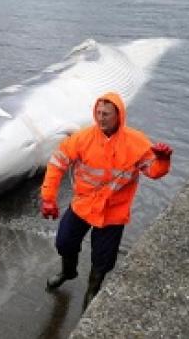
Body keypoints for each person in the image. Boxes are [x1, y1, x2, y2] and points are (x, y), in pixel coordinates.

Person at [40, 92, 173, 310]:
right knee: (64, 242)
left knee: (103, 260)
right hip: (83, 204)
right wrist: (48, 198)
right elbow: (57, 163)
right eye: (98, 113)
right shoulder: (82, 138)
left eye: (106, 114)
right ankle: (68, 271)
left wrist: (163, 160)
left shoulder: (136, 141)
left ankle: (93, 290)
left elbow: (154, 172)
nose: (101, 118)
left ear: (118, 115)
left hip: (113, 212)